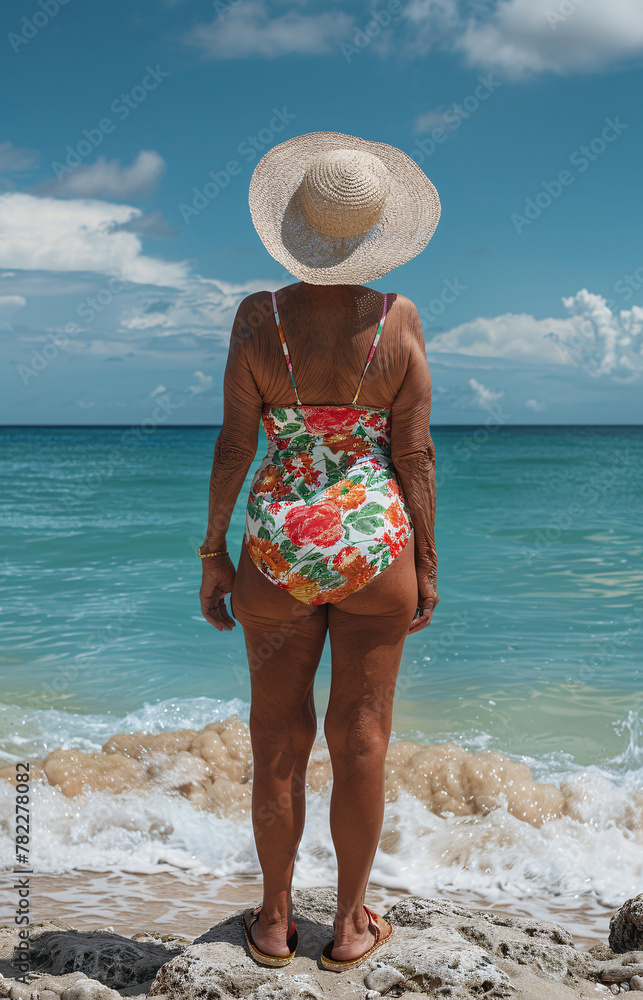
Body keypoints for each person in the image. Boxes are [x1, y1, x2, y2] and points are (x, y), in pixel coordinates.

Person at [197, 132, 440, 971]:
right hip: (375, 542)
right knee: (362, 737)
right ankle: (347, 926)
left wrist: (212, 550)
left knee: (277, 737)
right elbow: (414, 457)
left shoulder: (259, 318)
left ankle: (270, 922)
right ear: (372, 235)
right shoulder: (397, 319)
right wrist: (429, 565)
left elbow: (235, 445)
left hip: (276, 546)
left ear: (295, 228)